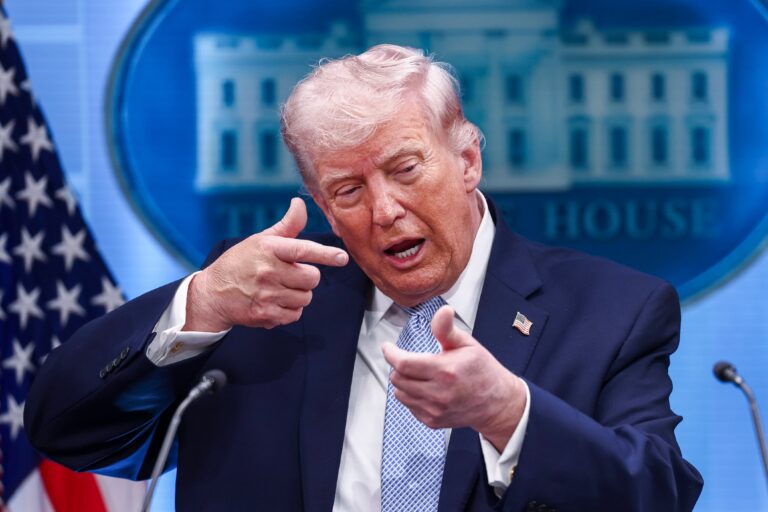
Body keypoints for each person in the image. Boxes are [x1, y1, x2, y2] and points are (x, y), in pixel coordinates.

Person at [25, 44, 703, 511]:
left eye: (405, 170)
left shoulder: (613, 312)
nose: (384, 211)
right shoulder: (261, 300)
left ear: (468, 160)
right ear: (323, 208)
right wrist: (201, 302)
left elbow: (657, 496)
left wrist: (507, 413)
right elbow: (65, 431)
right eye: (347, 191)